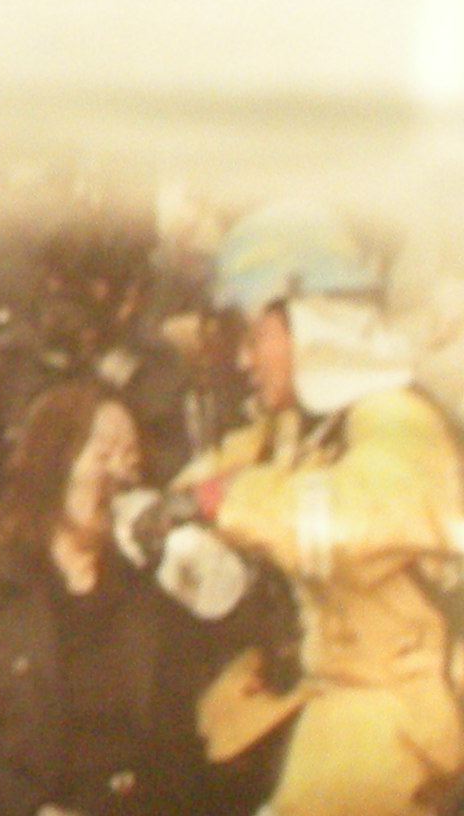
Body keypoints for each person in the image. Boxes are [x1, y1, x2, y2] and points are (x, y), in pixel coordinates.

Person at [160, 202, 464, 816]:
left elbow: (342, 523)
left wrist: (220, 501)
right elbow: (240, 463)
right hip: (329, 681)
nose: (244, 361)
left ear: (310, 325)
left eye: (255, 338)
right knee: (193, 744)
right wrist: (163, 504)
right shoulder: (313, 424)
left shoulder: (398, 419)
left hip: (399, 705)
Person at [0, 382, 219, 816]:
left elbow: (190, 743)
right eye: (104, 453)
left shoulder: (151, 590)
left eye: (131, 457)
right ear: (53, 464)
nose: (121, 473)